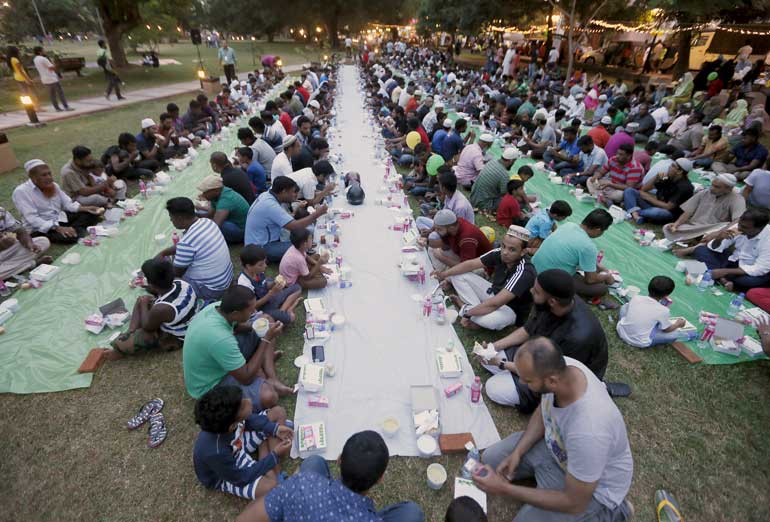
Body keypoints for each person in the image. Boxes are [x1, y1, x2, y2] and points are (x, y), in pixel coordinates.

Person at [476, 337, 633, 521]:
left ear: (551, 381)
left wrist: (504, 488)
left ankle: (614, 512)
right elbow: (544, 412)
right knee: (490, 458)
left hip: (590, 490)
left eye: (527, 381)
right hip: (558, 450)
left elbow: (574, 502)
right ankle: (544, 482)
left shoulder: (589, 431)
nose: (523, 384)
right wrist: (517, 452)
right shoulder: (563, 368)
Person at [478, 271, 610, 410]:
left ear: (552, 301)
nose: (531, 291)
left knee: (493, 388)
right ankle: (514, 373)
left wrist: (502, 364)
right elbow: (528, 330)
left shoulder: (577, 337)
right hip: (541, 356)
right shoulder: (552, 301)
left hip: (559, 378)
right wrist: (493, 347)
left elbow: (550, 376)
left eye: (536, 291)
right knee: (486, 359)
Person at [235, 430, 424, 522]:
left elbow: (244, 520)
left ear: (340, 460)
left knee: (314, 462)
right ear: (380, 478)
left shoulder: (301, 483)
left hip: (306, 498)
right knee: (412, 513)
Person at [183, 286, 291, 410]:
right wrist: (266, 339)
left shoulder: (218, 308)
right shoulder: (221, 338)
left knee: (267, 320)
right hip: (212, 384)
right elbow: (246, 379)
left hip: (220, 357)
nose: (254, 312)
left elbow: (236, 327)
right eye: (250, 311)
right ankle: (260, 365)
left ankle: (271, 377)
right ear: (235, 313)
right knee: (269, 396)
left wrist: (258, 328)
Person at [193, 385, 293, 500]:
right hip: (229, 471)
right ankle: (271, 466)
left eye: (243, 399)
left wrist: (275, 429)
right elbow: (241, 478)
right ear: (232, 426)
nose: (248, 401)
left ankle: (269, 461)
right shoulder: (216, 452)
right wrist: (274, 455)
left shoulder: (229, 421)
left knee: (278, 412)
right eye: (242, 406)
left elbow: (248, 421)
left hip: (238, 442)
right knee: (271, 487)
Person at [434, 225, 536, 331]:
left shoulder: (524, 271)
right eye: (503, 246)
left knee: (489, 321)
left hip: (510, 309)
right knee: (456, 274)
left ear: (523, 252)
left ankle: (465, 307)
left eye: (512, 250)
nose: (505, 252)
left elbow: (496, 303)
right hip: (493, 293)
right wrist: (444, 274)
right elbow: (470, 264)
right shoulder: (499, 253)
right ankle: (475, 309)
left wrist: (468, 314)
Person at [106, 258, 198, 359]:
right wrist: (149, 294)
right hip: (184, 319)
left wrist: (144, 304)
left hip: (178, 336)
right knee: (143, 300)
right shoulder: (181, 282)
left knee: (124, 341)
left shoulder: (161, 309)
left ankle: (123, 346)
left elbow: (147, 327)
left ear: (152, 284)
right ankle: (131, 332)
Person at [157, 197, 233, 301]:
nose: (171, 220)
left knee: (166, 280)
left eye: (171, 217)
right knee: (176, 258)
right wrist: (164, 252)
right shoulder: (207, 222)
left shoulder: (187, 242)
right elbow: (184, 246)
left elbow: (176, 273)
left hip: (212, 290)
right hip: (226, 279)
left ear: (179, 218)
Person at [12, 159, 101, 244]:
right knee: (71, 237)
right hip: (41, 228)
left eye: (49, 174)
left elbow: (68, 204)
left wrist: (86, 208)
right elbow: (32, 219)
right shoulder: (21, 192)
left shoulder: (53, 185)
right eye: (44, 175)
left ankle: (72, 229)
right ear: (32, 177)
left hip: (58, 219)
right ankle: (73, 230)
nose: (49, 177)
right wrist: (58, 228)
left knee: (92, 214)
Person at [533, 209, 615, 299]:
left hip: (534, 266)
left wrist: (598, 266)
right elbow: (590, 280)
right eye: (603, 231)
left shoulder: (568, 225)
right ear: (598, 230)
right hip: (547, 279)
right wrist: (607, 275)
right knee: (601, 288)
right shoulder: (588, 246)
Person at [245, 176, 328, 263]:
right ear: (284, 191)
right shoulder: (270, 205)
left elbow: (285, 218)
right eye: (292, 192)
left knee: (306, 236)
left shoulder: (267, 195)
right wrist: (317, 214)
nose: (295, 195)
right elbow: (295, 226)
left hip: (260, 242)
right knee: (303, 246)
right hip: (261, 247)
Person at [688, 209, 770, 292]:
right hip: (732, 261)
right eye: (739, 224)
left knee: (749, 281)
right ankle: (724, 280)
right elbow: (714, 248)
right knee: (701, 250)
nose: (739, 228)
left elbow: (760, 268)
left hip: (747, 271)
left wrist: (725, 271)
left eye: (744, 227)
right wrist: (719, 239)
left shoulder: (768, 239)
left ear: (759, 228)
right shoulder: (740, 226)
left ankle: (720, 276)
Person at [664, 173, 746, 242]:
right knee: (667, 227)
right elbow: (688, 212)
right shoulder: (705, 193)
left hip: (714, 229)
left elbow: (738, 220)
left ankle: (696, 239)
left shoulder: (737, 199)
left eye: (717, 187)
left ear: (729, 189)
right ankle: (695, 238)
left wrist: (719, 232)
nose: (712, 188)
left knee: (723, 227)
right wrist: (676, 224)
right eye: (712, 185)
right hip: (694, 226)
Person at [238, 245, 302, 325]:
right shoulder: (244, 284)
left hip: (270, 299)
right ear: (248, 266)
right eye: (261, 264)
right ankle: (281, 313)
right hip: (262, 309)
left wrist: (274, 283)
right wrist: (272, 293)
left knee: (297, 288)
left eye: (265, 262)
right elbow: (253, 306)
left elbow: (265, 284)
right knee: (291, 318)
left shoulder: (257, 271)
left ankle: (281, 311)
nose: (265, 266)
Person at [624, 157, 694, 225]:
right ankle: (635, 214)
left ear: (679, 171)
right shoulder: (668, 178)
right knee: (629, 191)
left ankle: (633, 210)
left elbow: (668, 207)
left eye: (673, 166)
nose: (669, 167)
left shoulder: (685, 187)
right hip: (655, 205)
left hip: (668, 213)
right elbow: (644, 189)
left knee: (656, 213)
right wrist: (656, 176)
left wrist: (649, 198)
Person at [427, 209, 492, 270]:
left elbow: (465, 266)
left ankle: (446, 274)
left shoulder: (467, 238)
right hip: (462, 256)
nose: (436, 231)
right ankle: (445, 272)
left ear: (451, 228)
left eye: (439, 229)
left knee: (458, 273)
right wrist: (426, 241)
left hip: (478, 266)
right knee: (431, 249)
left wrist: (441, 257)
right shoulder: (453, 225)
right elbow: (444, 244)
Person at [61, 146, 125, 206]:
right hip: (78, 196)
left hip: (95, 187)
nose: (91, 162)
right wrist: (105, 184)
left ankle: (117, 200)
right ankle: (109, 201)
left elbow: (101, 174)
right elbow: (84, 192)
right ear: (78, 160)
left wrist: (109, 182)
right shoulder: (69, 172)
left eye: (91, 159)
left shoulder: (85, 164)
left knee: (120, 183)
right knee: (96, 198)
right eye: (88, 161)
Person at [0, 206, 51, 280]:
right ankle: (31, 264)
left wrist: (29, 244)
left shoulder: (1, 211)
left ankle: (12, 266)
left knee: (43, 241)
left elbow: (20, 231)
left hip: (6, 251)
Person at [196, 175, 250, 243]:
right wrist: (194, 215)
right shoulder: (217, 195)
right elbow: (210, 214)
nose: (203, 194)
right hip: (234, 222)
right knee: (200, 212)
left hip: (243, 230)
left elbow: (215, 225)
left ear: (215, 190)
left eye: (205, 192)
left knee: (221, 226)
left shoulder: (226, 199)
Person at [32, 46, 73, 111]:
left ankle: (57, 108)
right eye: (43, 50)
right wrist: (55, 63)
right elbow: (52, 68)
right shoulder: (44, 59)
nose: (44, 51)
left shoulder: (35, 59)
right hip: (52, 78)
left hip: (44, 79)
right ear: (40, 52)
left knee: (52, 95)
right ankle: (66, 107)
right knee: (60, 93)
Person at [7, 46, 39, 110]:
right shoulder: (15, 60)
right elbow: (21, 70)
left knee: (24, 93)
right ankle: (37, 107)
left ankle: (29, 107)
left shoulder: (10, 59)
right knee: (33, 92)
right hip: (22, 77)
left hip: (17, 77)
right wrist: (28, 79)